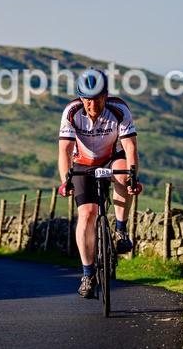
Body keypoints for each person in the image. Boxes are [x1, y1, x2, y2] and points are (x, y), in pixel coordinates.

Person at [57, 67, 142, 298]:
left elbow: (130, 147)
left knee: (123, 174)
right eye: (88, 99)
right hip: (82, 163)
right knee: (87, 213)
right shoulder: (72, 112)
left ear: (106, 95)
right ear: (80, 97)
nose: (93, 105)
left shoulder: (119, 109)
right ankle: (87, 274)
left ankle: (121, 231)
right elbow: (64, 151)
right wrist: (65, 180)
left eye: (99, 98)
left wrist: (134, 176)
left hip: (111, 157)